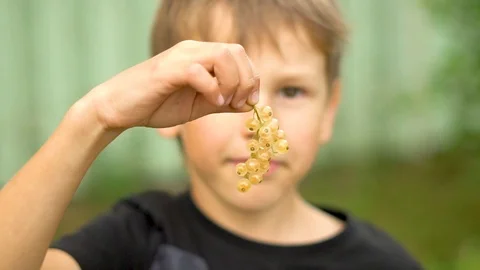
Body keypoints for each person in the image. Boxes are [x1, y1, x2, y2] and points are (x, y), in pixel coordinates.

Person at [0, 0, 423, 269]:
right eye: (224, 91)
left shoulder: (381, 262)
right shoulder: (138, 241)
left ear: (329, 109)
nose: (256, 122)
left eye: (292, 91)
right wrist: (96, 117)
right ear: (171, 109)